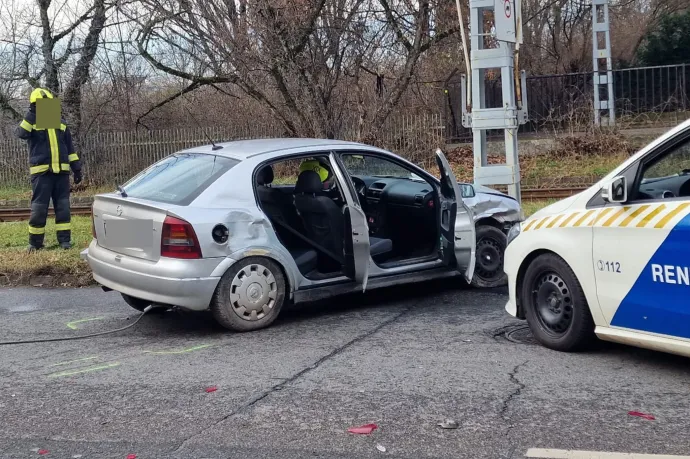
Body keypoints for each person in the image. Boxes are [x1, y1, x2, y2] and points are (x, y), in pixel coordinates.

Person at [15, 87, 83, 251]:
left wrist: (77, 168)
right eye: (40, 104)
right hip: (42, 174)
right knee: (39, 209)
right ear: (34, 105)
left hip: (61, 174)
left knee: (63, 209)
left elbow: (69, 147)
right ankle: (35, 243)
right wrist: (31, 114)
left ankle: (65, 242)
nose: (45, 107)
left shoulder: (59, 121)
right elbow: (21, 133)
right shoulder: (32, 121)